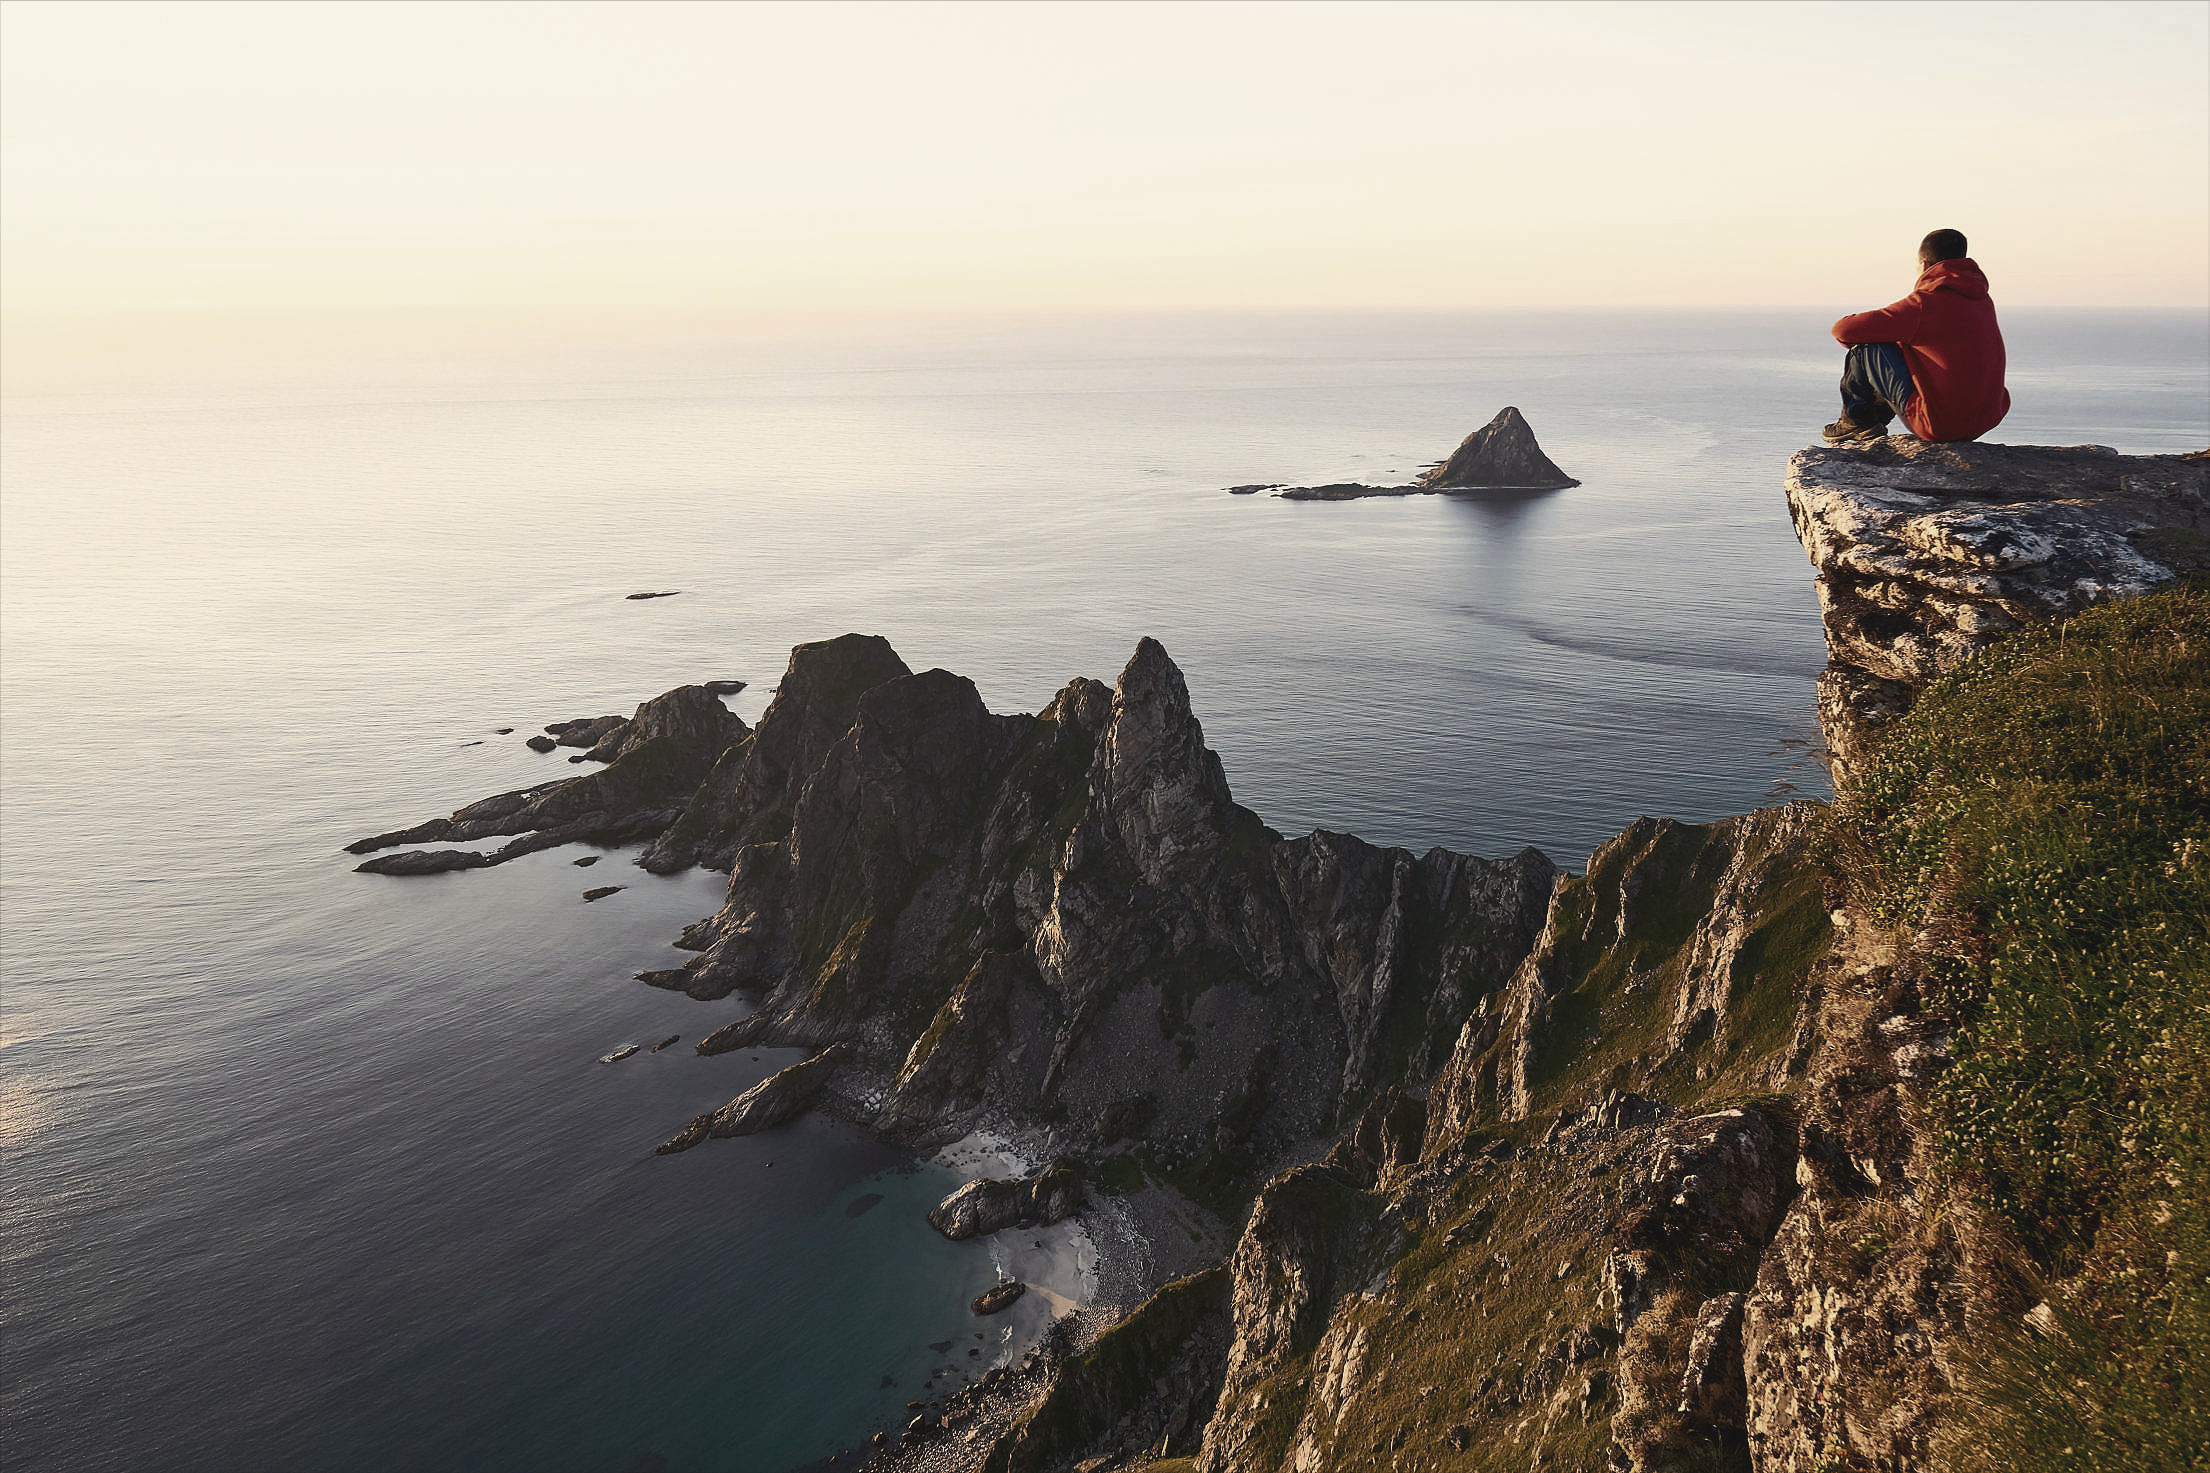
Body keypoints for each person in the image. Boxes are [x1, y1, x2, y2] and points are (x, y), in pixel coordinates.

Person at [1823, 228, 2010, 445]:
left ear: (1923, 265)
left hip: (1940, 424)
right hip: (1985, 418)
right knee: (1902, 345)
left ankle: (1858, 421)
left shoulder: (1924, 303)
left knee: (1867, 347)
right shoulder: (1982, 301)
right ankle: (1874, 418)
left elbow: (1843, 329)